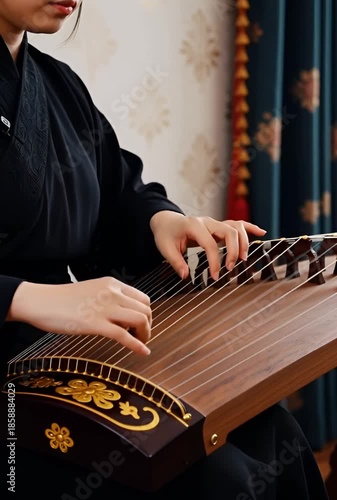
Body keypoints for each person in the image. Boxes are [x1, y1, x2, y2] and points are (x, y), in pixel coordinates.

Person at [0, 1, 330, 499]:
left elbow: (117, 195)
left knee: (272, 433)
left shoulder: (58, 86)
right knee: (213, 480)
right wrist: (22, 297)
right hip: (10, 381)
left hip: (68, 348)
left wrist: (164, 221)